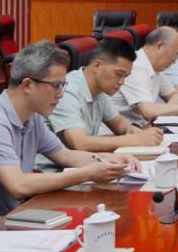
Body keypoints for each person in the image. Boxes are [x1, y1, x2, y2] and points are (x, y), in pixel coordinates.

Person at [0, 42, 137, 215]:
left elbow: (66, 155)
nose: (61, 94)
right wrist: (87, 173)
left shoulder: (33, 117)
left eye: (63, 86)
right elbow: (18, 185)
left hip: (11, 215)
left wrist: (111, 160)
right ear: (28, 85)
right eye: (56, 86)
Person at [39, 37, 165, 169]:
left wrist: (139, 134)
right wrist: (135, 140)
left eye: (125, 76)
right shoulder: (67, 91)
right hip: (51, 171)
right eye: (119, 74)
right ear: (98, 66)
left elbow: (120, 125)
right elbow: (80, 143)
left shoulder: (100, 90)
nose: (122, 82)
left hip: (80, 166)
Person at [113, 26, 178, 125]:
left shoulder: (156, 67)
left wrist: (164, 113)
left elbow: (176, 95)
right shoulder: (135, 66)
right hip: (126, 131)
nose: (175, 61)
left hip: (146, 127)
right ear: (159, 46)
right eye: (175, 54)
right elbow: (149, 111)